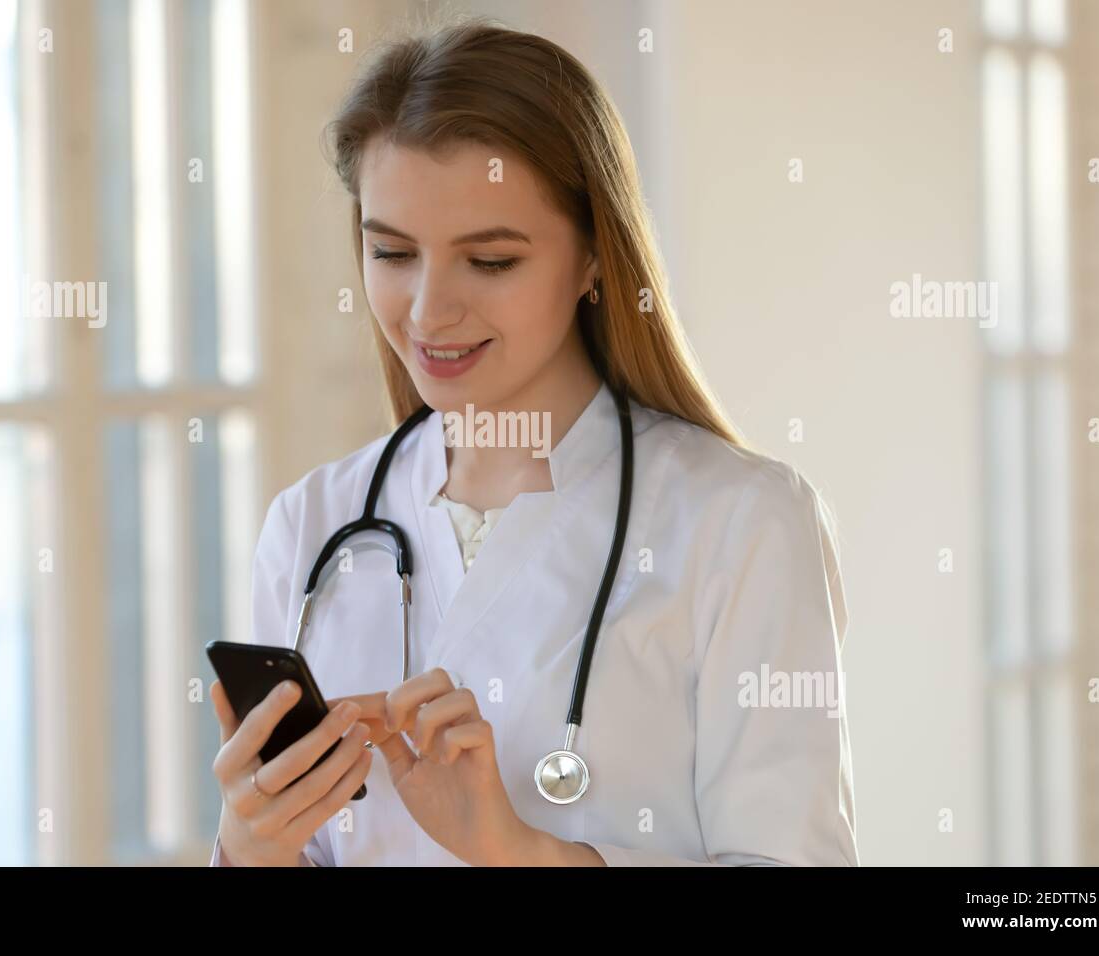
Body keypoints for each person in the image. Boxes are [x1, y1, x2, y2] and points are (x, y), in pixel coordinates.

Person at [209, 16, 858, 867]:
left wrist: (521, 852)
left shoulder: (741, 523)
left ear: (594, 255)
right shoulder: (313, 525)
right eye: (393, 252)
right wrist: (250, 848)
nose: (430, 310)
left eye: (491, 261)